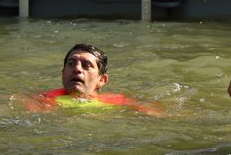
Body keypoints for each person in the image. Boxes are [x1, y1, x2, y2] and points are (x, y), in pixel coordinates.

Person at [22, 44, 162, 116]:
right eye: (71, 64)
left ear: (102, 80)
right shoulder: (42, 99)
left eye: (86, 65)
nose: (77, 69)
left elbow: (158, 114)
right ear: (63, 73)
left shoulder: (118, 101)